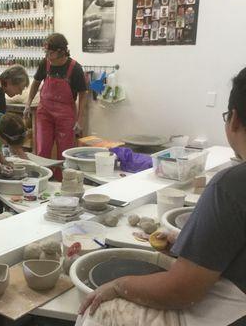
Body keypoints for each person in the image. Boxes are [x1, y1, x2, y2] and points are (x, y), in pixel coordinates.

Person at [77, 67, 246, 326]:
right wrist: (190, 245)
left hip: (228, 315)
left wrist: (119, 285)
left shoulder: (231, 185)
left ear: (233, 119)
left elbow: (181, 292)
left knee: (99, 310)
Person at [24, 33, 87, 180]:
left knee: (65, 152)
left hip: (65, 114)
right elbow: (35, 83)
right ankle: (42, 180)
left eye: (50, 52)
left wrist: (80, 120)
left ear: (61, 51)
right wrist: (28, 103)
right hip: (44, 112)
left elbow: (83, 94)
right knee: (42, 149)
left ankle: (61, 182)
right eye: (46, 52)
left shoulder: (75, 68)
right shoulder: (45, 64)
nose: (47, 55)